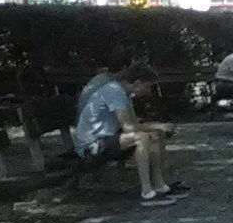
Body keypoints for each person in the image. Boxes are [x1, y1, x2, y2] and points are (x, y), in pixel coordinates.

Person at [75, 50, 184, 207]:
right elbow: (129, 127)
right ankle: (147, 191)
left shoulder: (125, 94)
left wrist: (158, 128)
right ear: (137, 83)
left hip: (106, 139)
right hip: (91, 145)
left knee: (154, 135)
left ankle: (160, 186)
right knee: (141, 137)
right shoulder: (114, 91)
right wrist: (159, 124)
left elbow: (133, 122)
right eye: (148, 87)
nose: (149, 91)